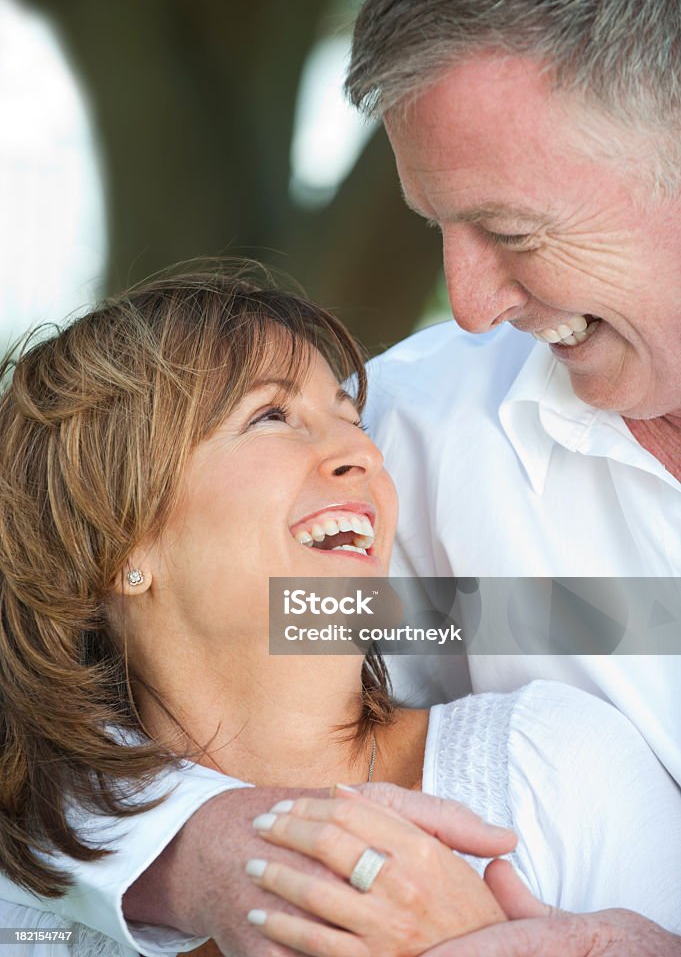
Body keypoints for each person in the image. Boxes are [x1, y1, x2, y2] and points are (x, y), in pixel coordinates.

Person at [2, 0, 681, 954]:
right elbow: (88, 647)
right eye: (438, 230)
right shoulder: (422, 442)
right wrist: (198, 846)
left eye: (513, 229)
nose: (470, 304)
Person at [0, 269, 679, 957]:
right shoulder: (33, 898)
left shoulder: (556, 772)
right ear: (116, 545)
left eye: (352, 418)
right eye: (269, 415)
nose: (364, 450)